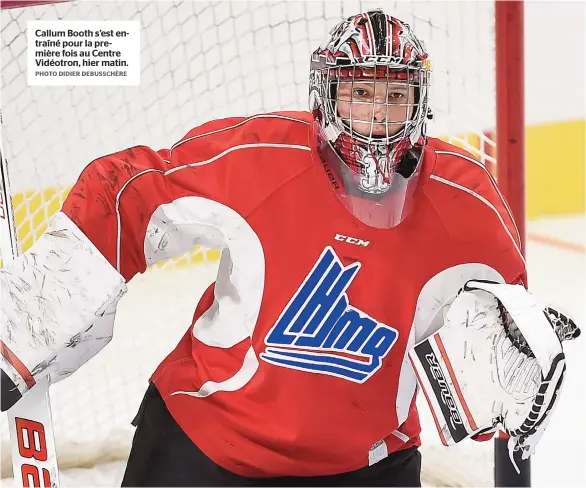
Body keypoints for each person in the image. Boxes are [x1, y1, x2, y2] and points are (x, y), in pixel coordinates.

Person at [1, 9, 579, 487]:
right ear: (326, 95)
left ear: (420, 102)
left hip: (367, 465)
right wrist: (39, 311)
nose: (378, 118)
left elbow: (512, 361)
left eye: (395, 95)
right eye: (358, 94)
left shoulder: (469, 205)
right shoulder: (261, 159)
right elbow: (124, 189)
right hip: (207, 443)